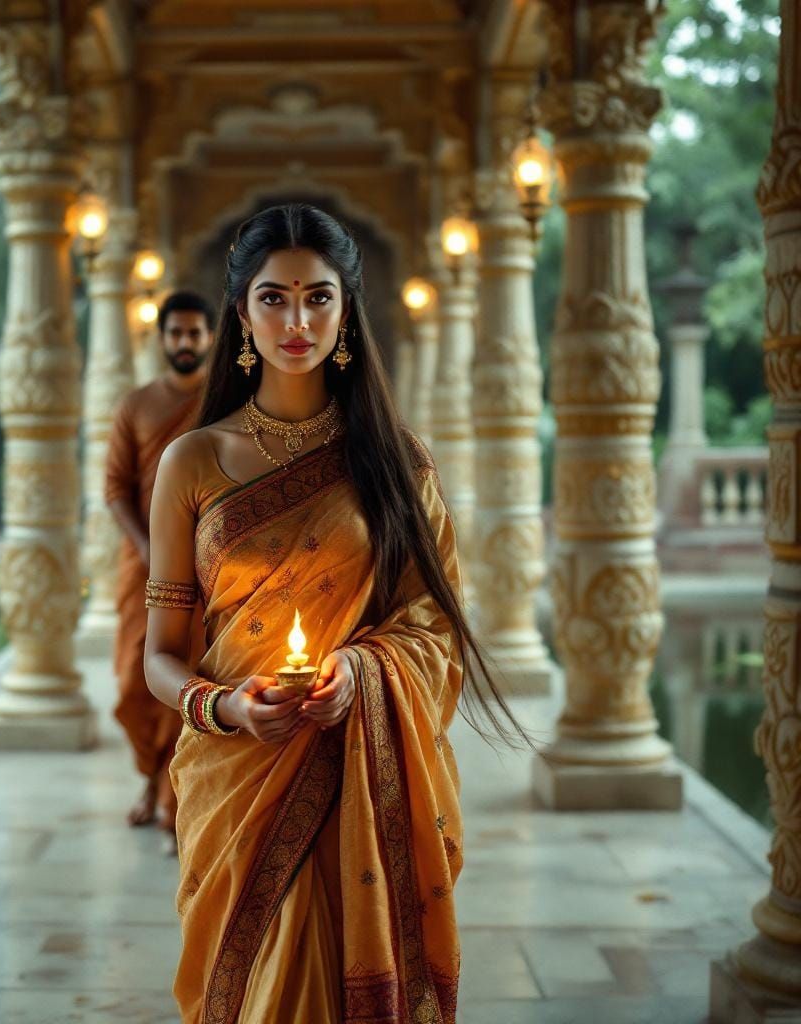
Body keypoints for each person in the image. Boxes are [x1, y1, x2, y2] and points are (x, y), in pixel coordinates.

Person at [144, 205, 528, 1022]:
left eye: (318, 298)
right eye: (274, 298)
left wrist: (361, 672)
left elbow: (432, 627)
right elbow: (160, 655)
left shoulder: (394, 461)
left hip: (356, 771)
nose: (297, 322)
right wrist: (228, 707)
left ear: (347, 311)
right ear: (241, 313)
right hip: (238, 775)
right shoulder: (192, 461)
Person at [104, 290, 215, 843]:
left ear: (211, 338)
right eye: (176, 333)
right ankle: (150, 780)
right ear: (162, 338)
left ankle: (176, 801)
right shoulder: (136, 405)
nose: (185, 342)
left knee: (186, 675)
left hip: (206, 566)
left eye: (194, 333)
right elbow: (115, 489)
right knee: (133, 681)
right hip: (143, 563)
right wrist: (149, 547)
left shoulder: (224, 405)